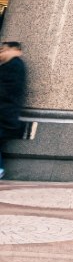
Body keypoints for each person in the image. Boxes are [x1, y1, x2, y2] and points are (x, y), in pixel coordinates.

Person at [0, 42, 25, 179]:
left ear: (13, 50)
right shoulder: (11, 65)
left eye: (3, 50)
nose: (1, 54)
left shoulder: (14, 65)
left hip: (5, 114)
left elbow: (6, 91)